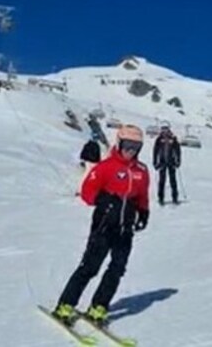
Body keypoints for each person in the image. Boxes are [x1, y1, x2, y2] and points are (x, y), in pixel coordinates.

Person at [53, 125, 150, 326]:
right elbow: (87, 191)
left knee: (117, 268)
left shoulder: (141, 171)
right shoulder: (106, 166)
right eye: (128, 145)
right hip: (104, 225)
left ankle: (99, 307)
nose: (131, 150)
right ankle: (66, 304)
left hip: (125, 229)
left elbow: (143, 196)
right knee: (90, 266)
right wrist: (102, 199)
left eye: (136, 147)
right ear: (119, 143)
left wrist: (143, 212)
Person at [152, 125, 181, 205]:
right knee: (162, 181)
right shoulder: (159, 139)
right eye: (163, 130)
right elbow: (155, 151)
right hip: (162, 162)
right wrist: (155, 162)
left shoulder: (173, 139)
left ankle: (175, 198)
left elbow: (178, 151)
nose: (165, 132)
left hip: (171, 162)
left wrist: (178, 161)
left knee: (173, 181)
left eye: (166, 130)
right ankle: (161, 198)